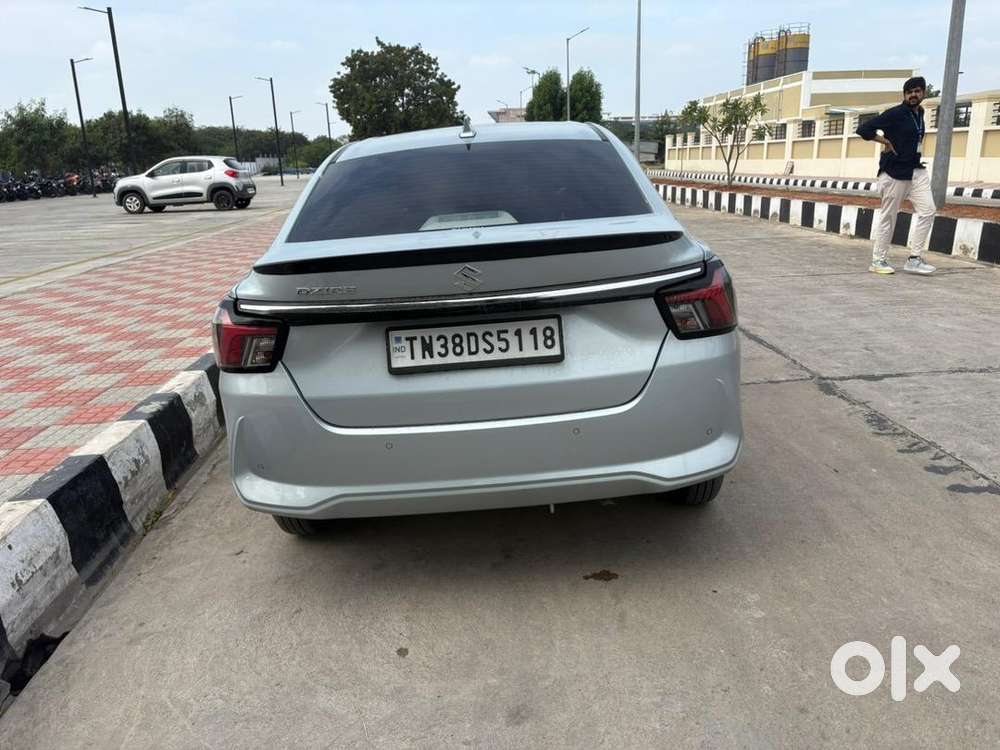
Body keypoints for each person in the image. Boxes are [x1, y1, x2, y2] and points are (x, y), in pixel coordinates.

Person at [856, 76, 937, 275]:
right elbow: (864, 129)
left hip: (916, 171)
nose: (913, 95)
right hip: (894, 172)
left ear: (923, 93)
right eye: (909, 92)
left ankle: (914, 259)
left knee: (928, 210)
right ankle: (878, 260)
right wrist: (885, 142)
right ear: (904, 95)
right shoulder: (895, 113)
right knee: (889, 217)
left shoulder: (920, 113)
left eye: (917, 91)